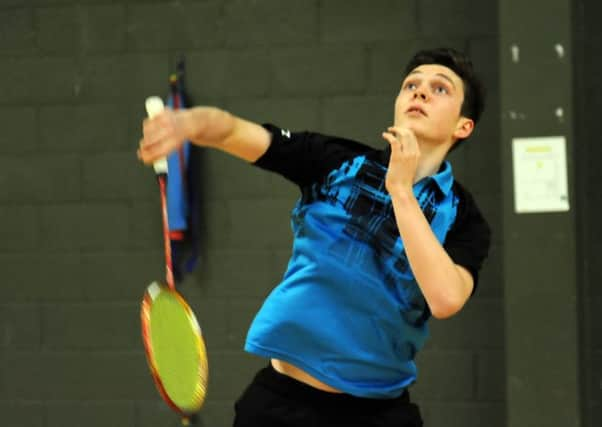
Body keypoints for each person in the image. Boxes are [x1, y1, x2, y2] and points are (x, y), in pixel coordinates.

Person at [138, 47, 491, 427]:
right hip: (282, 406)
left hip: (379, 412)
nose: (419, 92)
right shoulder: (337, 162)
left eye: (440, 89)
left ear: (463, 126)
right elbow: (234, 130)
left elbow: (446, 299)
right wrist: (188, 124)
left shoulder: (462, 217)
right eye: (411, 85)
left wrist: (401, 191)